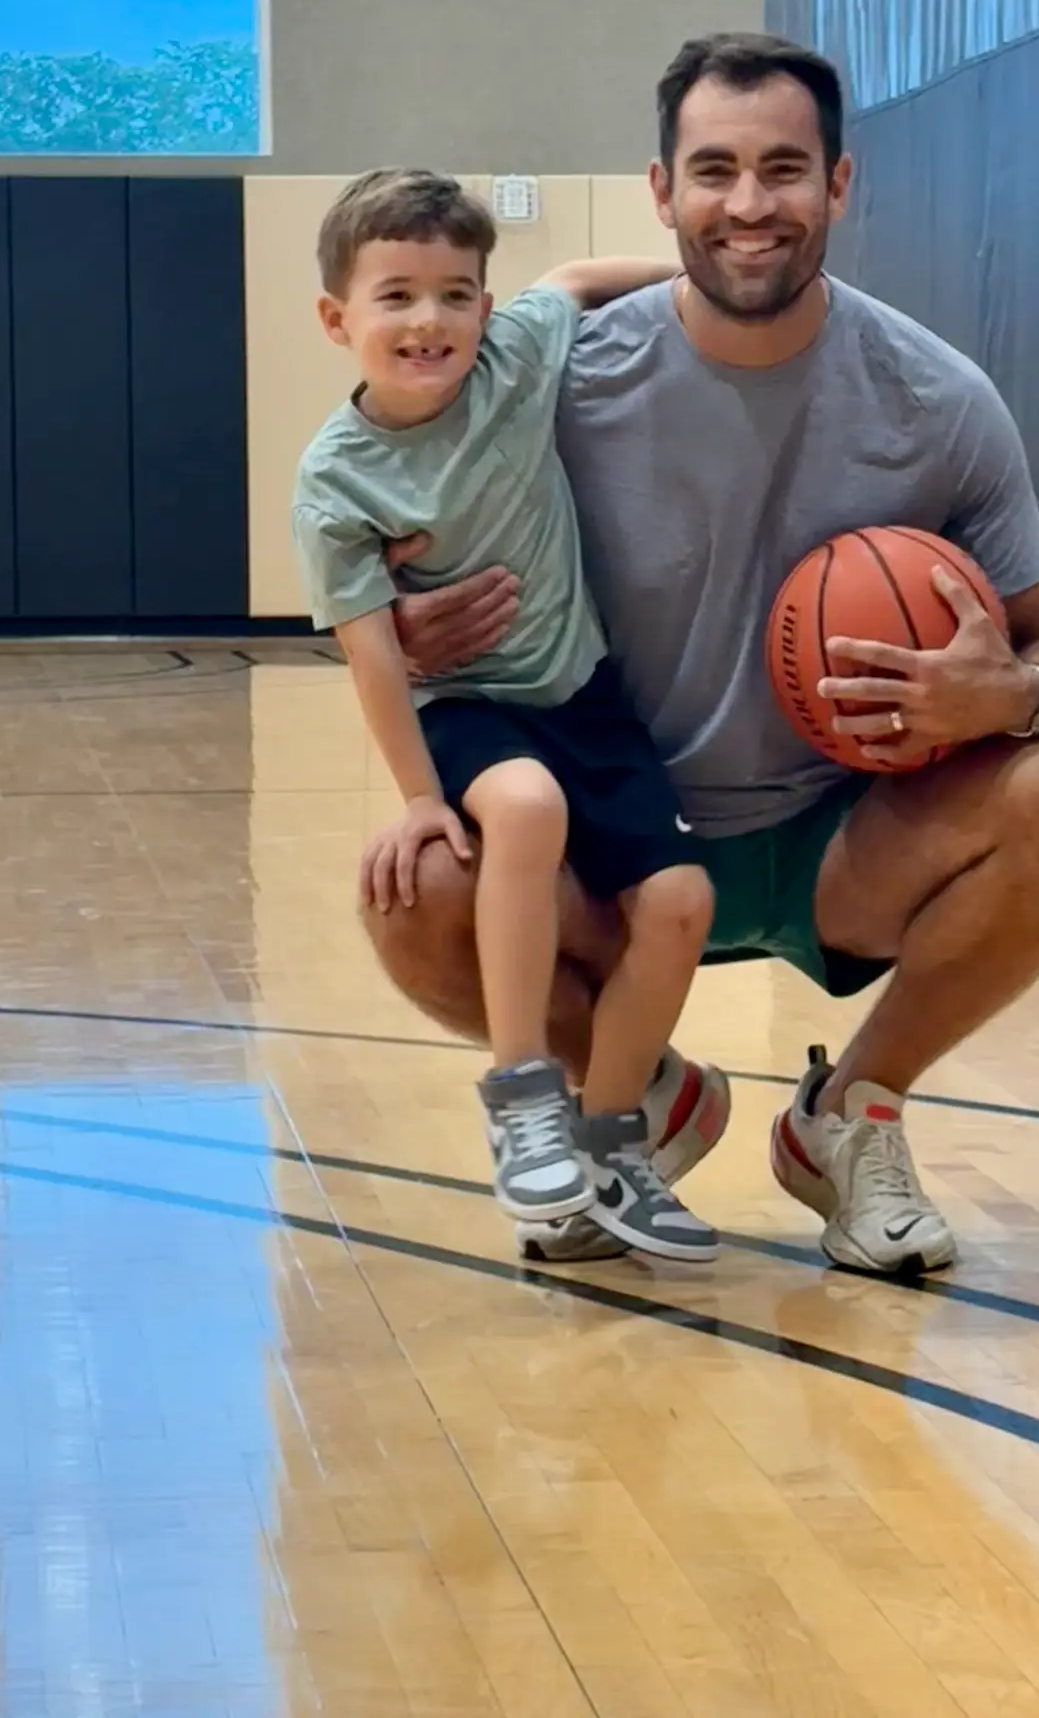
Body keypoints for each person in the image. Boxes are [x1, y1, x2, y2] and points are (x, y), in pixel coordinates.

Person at [365, 37, 1039, 1277]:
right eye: (712, 169)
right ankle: (646, 1097)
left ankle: (852, 1114)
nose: (750, 204)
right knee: (417, 887)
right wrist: (401, 629)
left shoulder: (936, 399)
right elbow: (377, 537)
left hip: (845, 836)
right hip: (618, 845)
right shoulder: (552, 386)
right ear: (661, 193)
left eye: (785, 168)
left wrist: (1017, 693)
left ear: (839, 184)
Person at [293, 169, 719, 1263]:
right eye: (396, 295)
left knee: (678, 899)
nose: (428, 319)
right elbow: (373, 655)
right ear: (339, 318)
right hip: (466, 707)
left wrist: (700, 272)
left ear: (486, 305)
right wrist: (422, 799)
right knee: (521, 811)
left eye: (455, 292)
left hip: (583, 694)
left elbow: (574, 278)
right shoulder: (336, 479)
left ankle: (615, 1135)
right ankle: (521, 1089)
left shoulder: (516, 360)